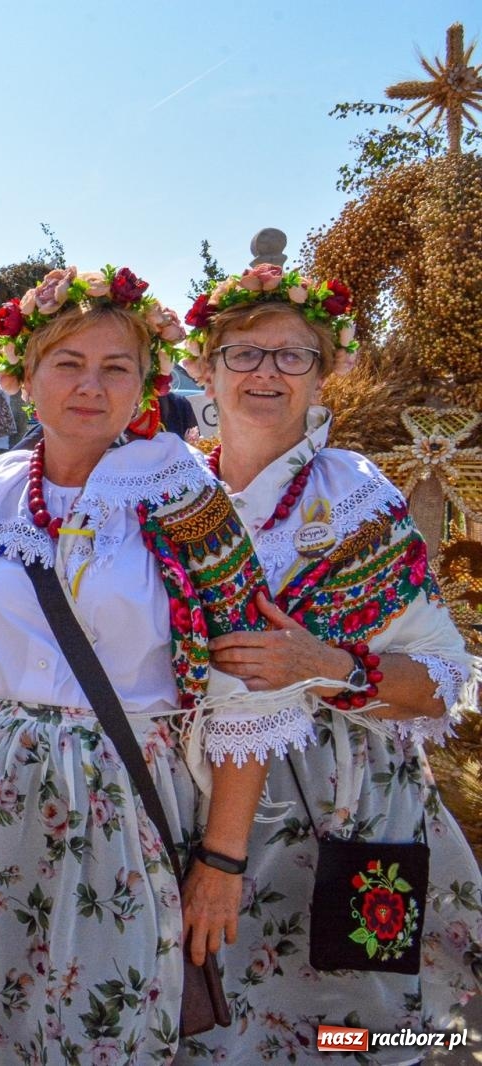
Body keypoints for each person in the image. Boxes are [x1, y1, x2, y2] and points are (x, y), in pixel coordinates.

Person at [0, 265, 313, 1062]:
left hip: (125, 811)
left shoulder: (185, 497)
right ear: (24, 377)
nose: (91, 386)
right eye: (68, 364)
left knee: (116, 1027)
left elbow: (245, 685)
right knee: (6, 1025)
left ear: (146, 383)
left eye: (116, 367)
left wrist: (222, 859)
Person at [178, 266, 482, 1061]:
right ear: (205, 367)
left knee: (345, 1032)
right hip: (193, 798)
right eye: (244, 353)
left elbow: (443, 681)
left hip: (342, 813)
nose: (267, 373)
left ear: (324, 373)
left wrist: (326, 664)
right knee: (214, 1023)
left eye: (293, 355)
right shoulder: (171, 492)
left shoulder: (355, 497)